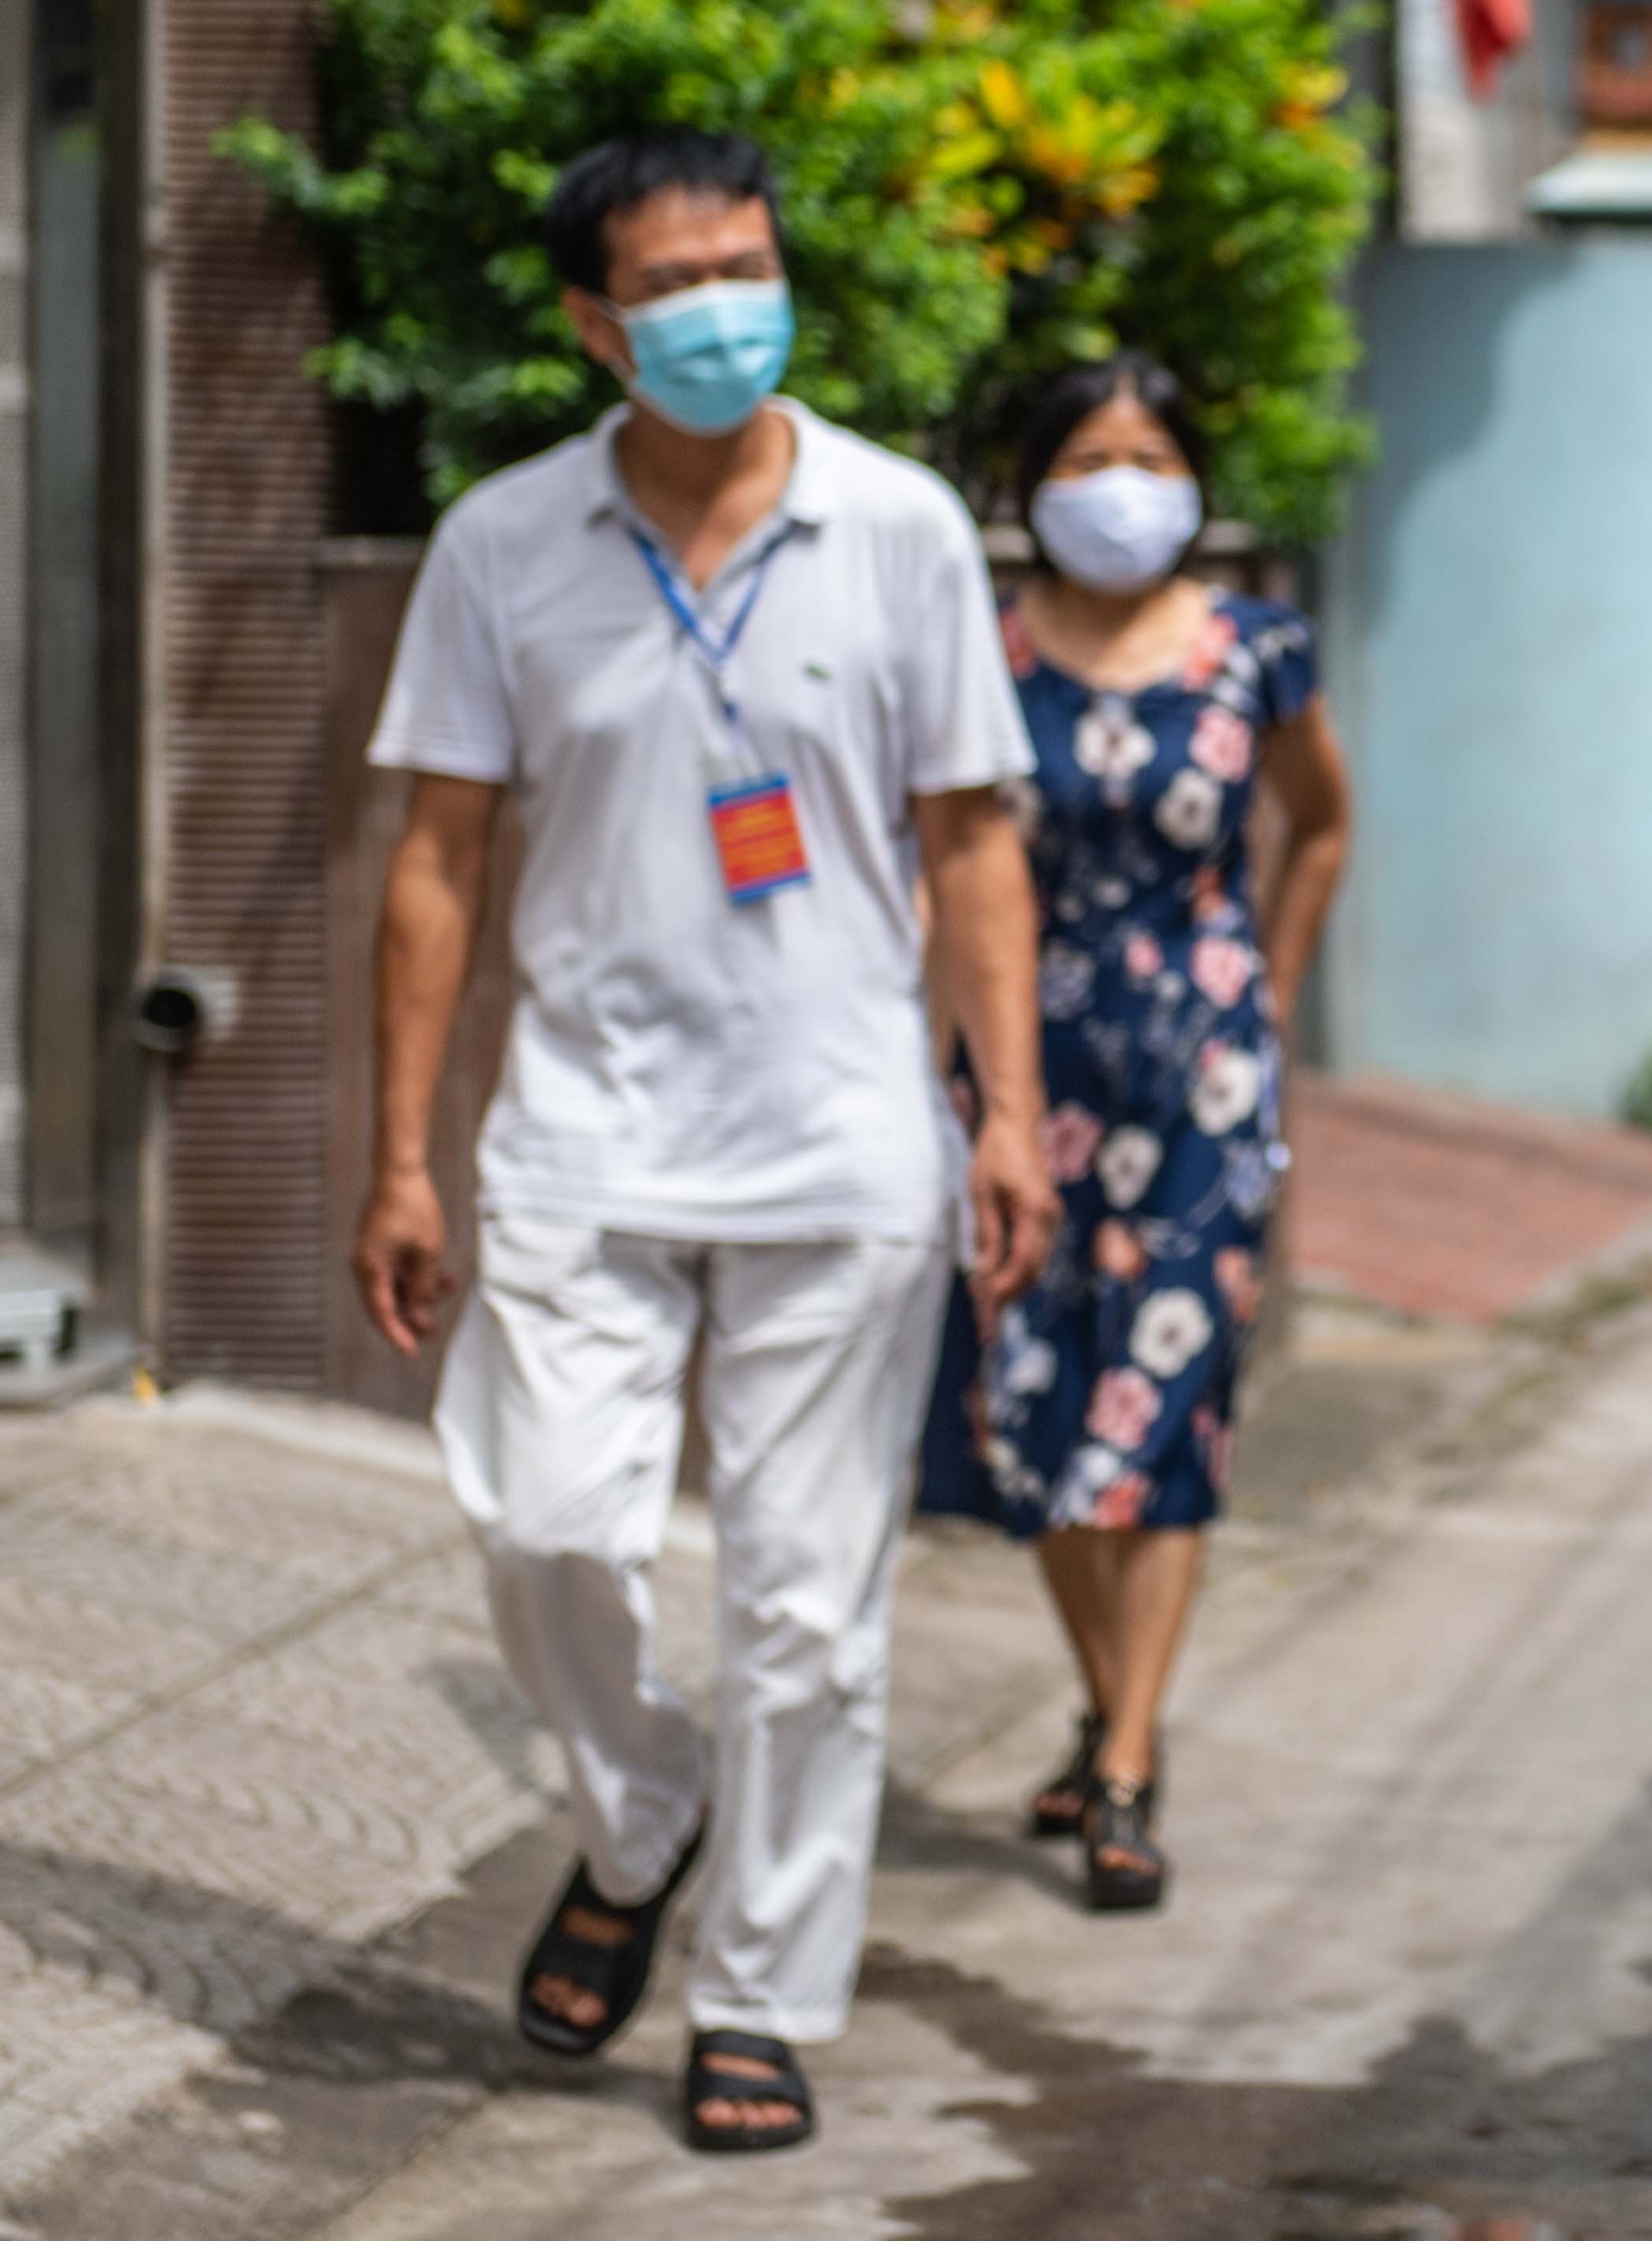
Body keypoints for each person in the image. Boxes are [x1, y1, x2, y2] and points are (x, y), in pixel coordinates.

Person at [347, 128, 1056, 2154]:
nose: (725, 307)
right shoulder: (505, 542)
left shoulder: (901, 527)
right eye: (675, 283)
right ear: (594, 320)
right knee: (547, 1517)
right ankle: (643, 1808)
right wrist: (405, 1151)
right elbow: (436, 863)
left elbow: (973, 842)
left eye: (749, 263)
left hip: (843, 1146)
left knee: (810, 1608)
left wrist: (1004, 1110)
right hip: (578, 1128)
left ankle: (759, 1990)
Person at [915, 353, 1354, 1913]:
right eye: (1087, 452)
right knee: (1031, 1409)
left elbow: (1322, 822)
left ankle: (1127, 1762)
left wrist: (1268, 994)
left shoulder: (1258, 650)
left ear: (1192, 476)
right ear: (1033, 486)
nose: (1121, 482)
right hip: (1026, 1075)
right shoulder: (977, 656)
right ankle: (1111, 1696)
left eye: (1148, 452)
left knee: (1165, 1407)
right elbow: (945, 859)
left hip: (1200, 1087)